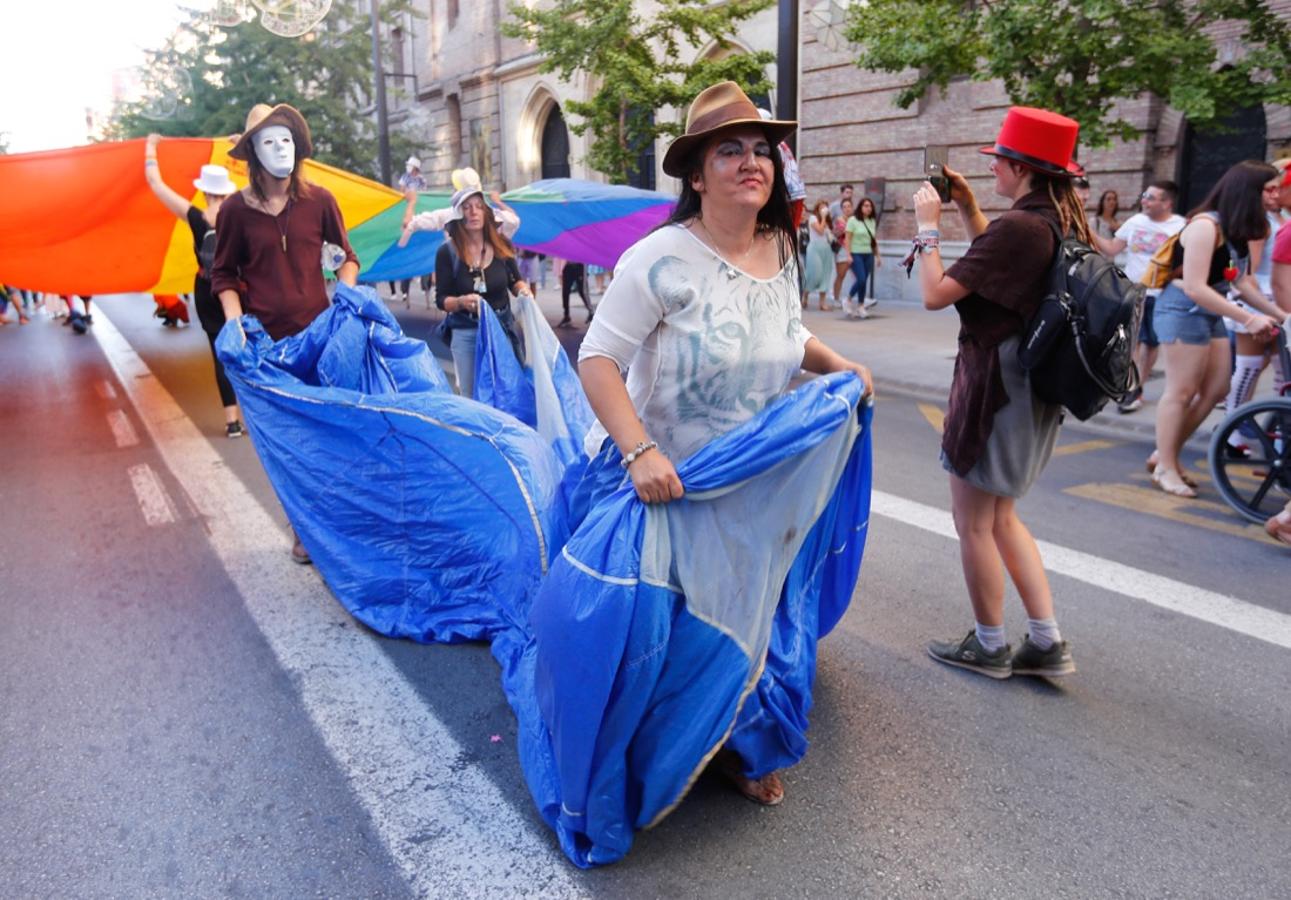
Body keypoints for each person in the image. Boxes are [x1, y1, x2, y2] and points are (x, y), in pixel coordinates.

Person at [577, 81, 872, 805]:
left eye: (762, 150)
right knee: (674, 627)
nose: (752, 162)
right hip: (664, 482)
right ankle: (664, 745)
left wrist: (838, 365)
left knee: (753, 608)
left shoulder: (780, 246)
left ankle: (740, 742)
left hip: (753, 478)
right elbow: (598, 360)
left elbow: (784, 332)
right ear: (695, 173)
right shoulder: (657, 258)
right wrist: (639, 452)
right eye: (729, 150)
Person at [911, 105, 1087, 680]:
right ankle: (1046, 640)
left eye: (999, 163)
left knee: (975, 523)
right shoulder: (1054, 221)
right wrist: (966, 207)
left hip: (996, 386)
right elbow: (999, 264)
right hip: (1032, 385)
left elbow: (935, 294)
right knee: (1003, 517)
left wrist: (928, 226)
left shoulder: (1021, 228)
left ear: (1021, 167)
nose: (992, 172)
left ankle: (989, 646)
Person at [211, 103, 360, 562]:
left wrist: (344, 298)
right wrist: (236, 325)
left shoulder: (320, 201)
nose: (280, 150)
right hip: (268, 350)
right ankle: (302, 527)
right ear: (253, 153)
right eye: (269, 141)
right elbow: (224, 275)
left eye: (287, 140)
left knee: (328, 437)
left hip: (320, 343)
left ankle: (334, 522)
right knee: (289, 445)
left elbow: (348, 258)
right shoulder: (235, 210)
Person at [1148, 160, 1281, 497]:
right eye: (1269, 189)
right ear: (1248, 192)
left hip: (1209, 311)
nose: (1276, 195)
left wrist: (1281, 316)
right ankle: (1166, 464)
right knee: (1181, 390)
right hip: (1182, 309)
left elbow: (1245, 284)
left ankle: (1166, 453)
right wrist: (1248, 319)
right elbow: (1194, 286)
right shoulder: (1206, 226)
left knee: (1217, 389)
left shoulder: (1240, 228)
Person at [143, 135, 245, 437]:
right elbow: (266, 183)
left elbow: (155, 183)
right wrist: (241, 146)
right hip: (237, 290)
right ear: (226, 193)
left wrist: (151, 148)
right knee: (249, 349)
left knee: (219, 354)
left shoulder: (196, 217)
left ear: (205, 193)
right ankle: (261, 411)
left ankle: (232, 422)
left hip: (205, 289)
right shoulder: (239, 213)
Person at [1092, 180, 1187, 412]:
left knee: (1150, 343)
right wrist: (1088, 232)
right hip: (1133, 291)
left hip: (1161, 294)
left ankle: (1138, 386)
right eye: (1145, 195)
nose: (1144, 200)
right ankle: (1130, 385)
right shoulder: (1135, 222)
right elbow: (1113, 248)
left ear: (1167, 203)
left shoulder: (1181, 226)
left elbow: (1186, 262)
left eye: (1151, 198)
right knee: (1131, 341)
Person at [434, 186, 531, 397]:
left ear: (487, 213)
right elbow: (441, 300)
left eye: (479, 206)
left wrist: (524, 291)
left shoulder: (501, 244)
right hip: (467, 333)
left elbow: (515, 282)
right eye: (467, 208)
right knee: (473, 396)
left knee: (508, 392)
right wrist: (460, 302)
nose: (473, 212)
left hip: (501, 330)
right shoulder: (446, 252)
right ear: (459, 216)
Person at [1221, 159, 1291, 447]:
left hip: (1267, 301)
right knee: (1249, 368)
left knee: (1279, 371)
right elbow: (1249, 272)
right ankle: (1232, 434)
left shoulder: (1275, 220)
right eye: (1270, 189)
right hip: (1259, 299)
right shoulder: (1261, 223)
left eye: (1278, 188)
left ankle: (1278, 442)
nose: (1274, 195)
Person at [388, 155, 430, 304]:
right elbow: (401, 193)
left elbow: (425, 195)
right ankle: (404, 290)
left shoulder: (422, 179)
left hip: (419, 214)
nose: (408, 167)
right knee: (405, 245)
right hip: (409, 212)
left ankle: (425, 285)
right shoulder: (405, 178)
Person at [844, 197, 881, 317]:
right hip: (856, 253)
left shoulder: (872, 221)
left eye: (870, 206)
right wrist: (848, 255)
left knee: (864, 281)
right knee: (861, 279)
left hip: (868, 254)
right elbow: (847, 239)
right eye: (865, 206)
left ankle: (860, 306)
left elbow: (873, 240)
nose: (868, 208)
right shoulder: (852, 220)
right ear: (860, 207)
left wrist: (878, 256)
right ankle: (848, 299)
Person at [804, 199, 835, 310]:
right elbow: (820, 231)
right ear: (817, 209)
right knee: (814, 274)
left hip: (826, 248)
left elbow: (828, 234)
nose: (824, 209)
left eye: (825, 207)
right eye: (821, 207)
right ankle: (805, 297)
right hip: (814, 248)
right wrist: (822, 217)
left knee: (826, 275)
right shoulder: (813, 218)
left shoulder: (827, 221)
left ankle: (822, 303)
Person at [831, 197, 854, 307]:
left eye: (849, 206)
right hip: (842, 250)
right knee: (841, 275)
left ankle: (858, 298)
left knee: (858, 275)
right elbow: (835, 234)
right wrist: (842, 231)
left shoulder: (855, 219)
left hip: (855, 249)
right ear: (841, 209)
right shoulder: (839, 220)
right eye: (844, 207)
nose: (847, 209)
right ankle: (836, 298)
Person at [557, 259, 591, 327]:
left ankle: (591, 312)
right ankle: (566, 316)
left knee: (583, 291)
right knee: (565, 292)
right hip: (568, 265)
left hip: (579, 264)